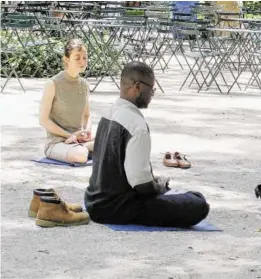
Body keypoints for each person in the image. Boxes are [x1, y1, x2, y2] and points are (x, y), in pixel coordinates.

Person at [84, 61, 210, 227]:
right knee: (198, 202)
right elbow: (141, 185)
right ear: (137, 86)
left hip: (93, 201)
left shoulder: (107, 114)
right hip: (117, 207)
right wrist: (158, 187)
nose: (152, 94)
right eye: (151, 89)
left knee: (171, 192)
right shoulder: (136, 125)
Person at [39, 38, 94, 164]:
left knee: (113, 144)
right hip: (57, 142)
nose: (82, 61)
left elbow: (87, 115)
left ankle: (84, 148)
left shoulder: (84, 85)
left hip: (79, 140)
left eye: (85, 57)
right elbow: (43, 120)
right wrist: (70, 136)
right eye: (77, 57)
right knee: (80, 155)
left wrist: (87, 132)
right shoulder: (52, 84)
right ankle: (83, 150)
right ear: (66, 59)